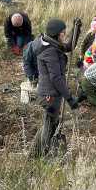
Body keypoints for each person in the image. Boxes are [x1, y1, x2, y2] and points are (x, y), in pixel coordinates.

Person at [29, 17, 81, 158]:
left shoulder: (51, 44)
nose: (65, 34)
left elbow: (68, 47)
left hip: (51, 92)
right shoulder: (49, 52)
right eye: (63, 31)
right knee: (50, 125)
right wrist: (69, 98)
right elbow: (56, 78)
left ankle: (34, 153)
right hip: (50, 95)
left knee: (50, 123)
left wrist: (76, 30)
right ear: (57, 34)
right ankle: (42, 154)